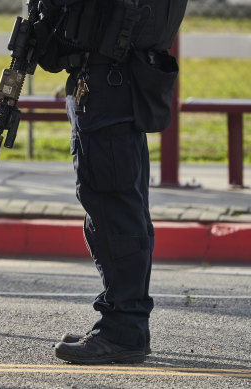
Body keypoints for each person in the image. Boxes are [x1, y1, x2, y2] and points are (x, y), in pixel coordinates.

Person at [33, 0, 187, 364]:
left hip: (109, 82)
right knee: (112, 208)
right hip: (105, 81)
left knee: (114, 208)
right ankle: (124, 323)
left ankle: (122, 329)